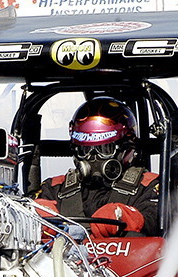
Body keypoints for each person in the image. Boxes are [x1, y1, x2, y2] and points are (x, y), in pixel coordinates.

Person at [35, 96, 159, 238]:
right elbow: (25, 213)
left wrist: (127, 216)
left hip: (131, 258)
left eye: (104, 149)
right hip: (64, 259)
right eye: (85, 150)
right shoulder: (54, 188)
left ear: (126, 148)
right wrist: (36, 213)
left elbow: (160, 220)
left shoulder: (149, 186)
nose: (93, 158)